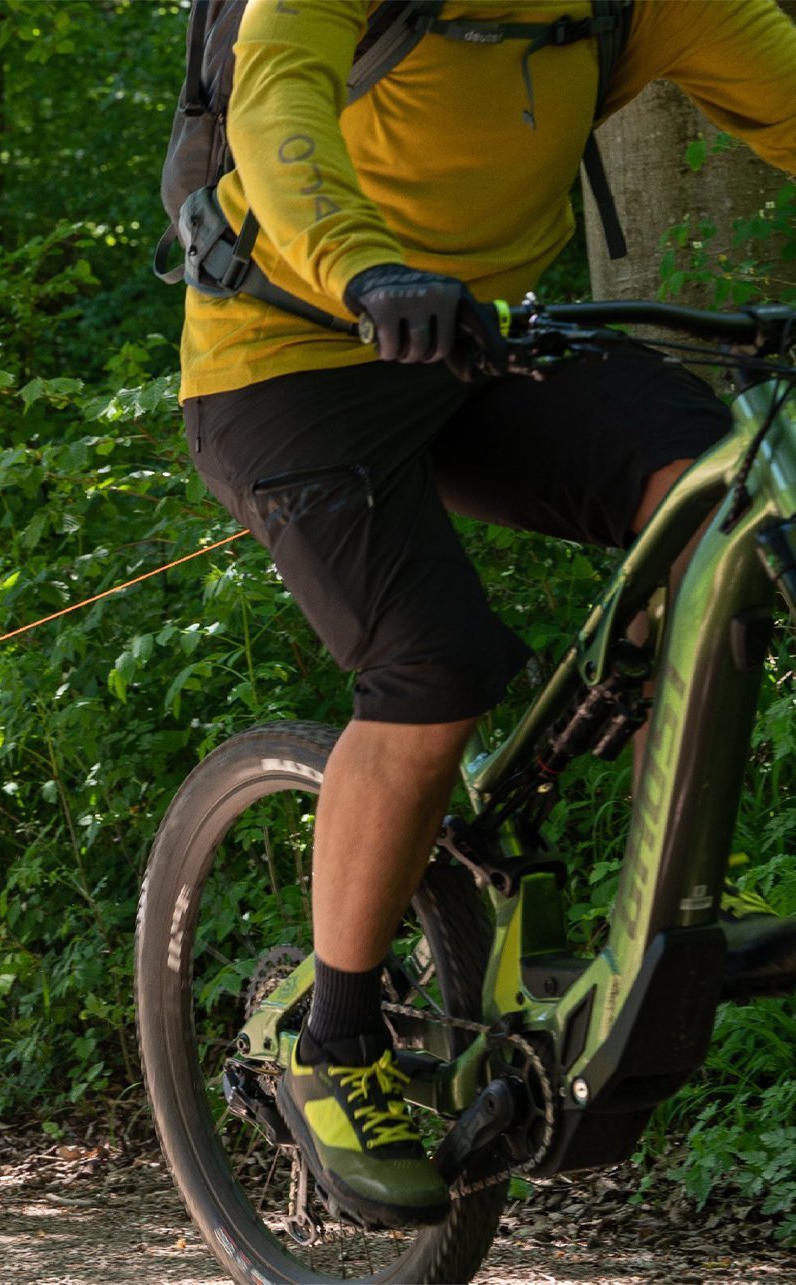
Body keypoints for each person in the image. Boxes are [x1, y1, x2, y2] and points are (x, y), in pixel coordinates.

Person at [178, 0, 796, 1231]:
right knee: (432, 662)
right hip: (286, 353)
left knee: (720, 486)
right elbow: (277, 120)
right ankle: (335, 1034)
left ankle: (646, 826)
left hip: (476, 341)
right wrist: (364, 267)